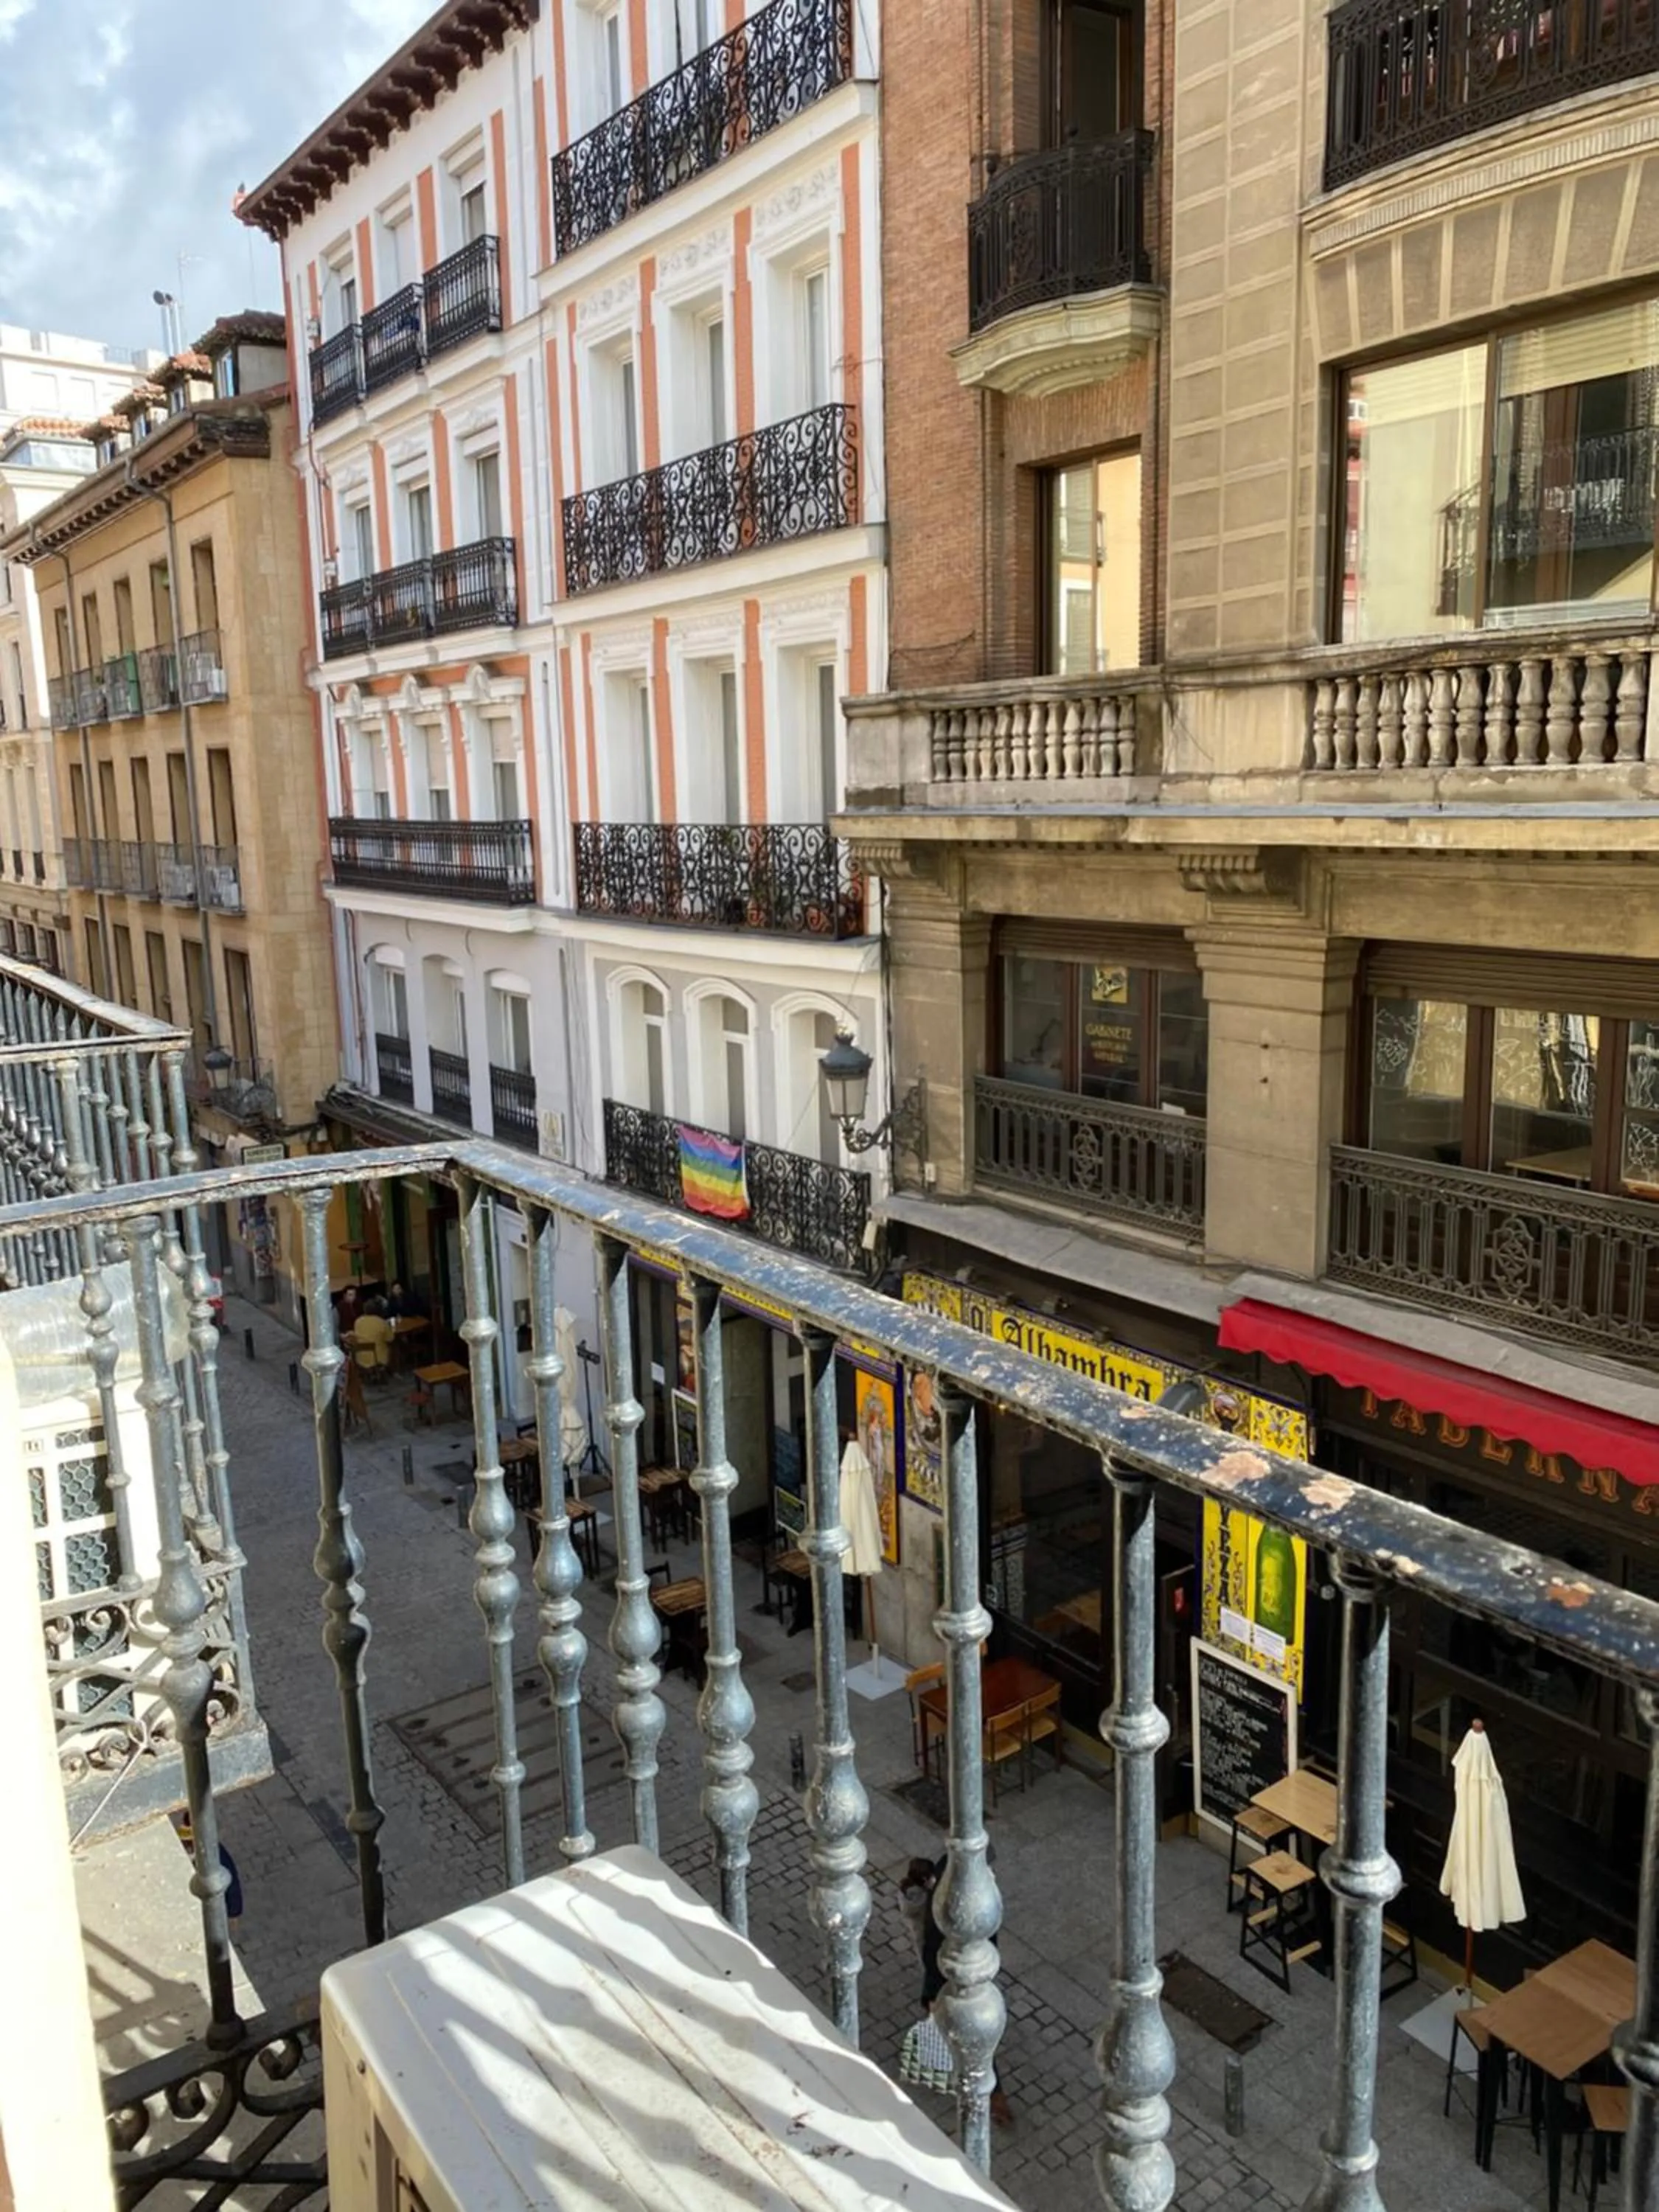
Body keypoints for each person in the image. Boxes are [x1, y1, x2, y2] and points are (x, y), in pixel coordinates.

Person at [897, 1855, 1012, 2125]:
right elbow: (931, 1951)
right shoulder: (947, 1909)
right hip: (955, 1977)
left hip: (966, 1970)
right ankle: (991, 2098)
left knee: (963, 2030)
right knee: (972, 2034)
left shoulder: (971, 1897)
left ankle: (983, 2091)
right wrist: (931, 1993)